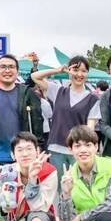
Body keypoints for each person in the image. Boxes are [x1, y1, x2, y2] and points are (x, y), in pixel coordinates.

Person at [31, 55, 101, 184]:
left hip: (78, 150)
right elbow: (35, 77)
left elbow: (89, 130)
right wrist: (57, 70)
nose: (79, 74)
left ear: (87, 74)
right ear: (69, 71)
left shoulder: (93, 100)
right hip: (56, 148)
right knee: (59, 187)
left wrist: (86, 150)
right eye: (75, 70)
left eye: (84, 71)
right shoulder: (58, 91)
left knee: (79, 187)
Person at [0, 54, 44, 179]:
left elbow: (37, 122)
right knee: (3, 194)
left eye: (11, 67)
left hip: (24, 154)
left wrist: (38, 145)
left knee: (25, 193)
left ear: (17, 71)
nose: (7, 70)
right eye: (3, 67)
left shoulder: (27, 94)